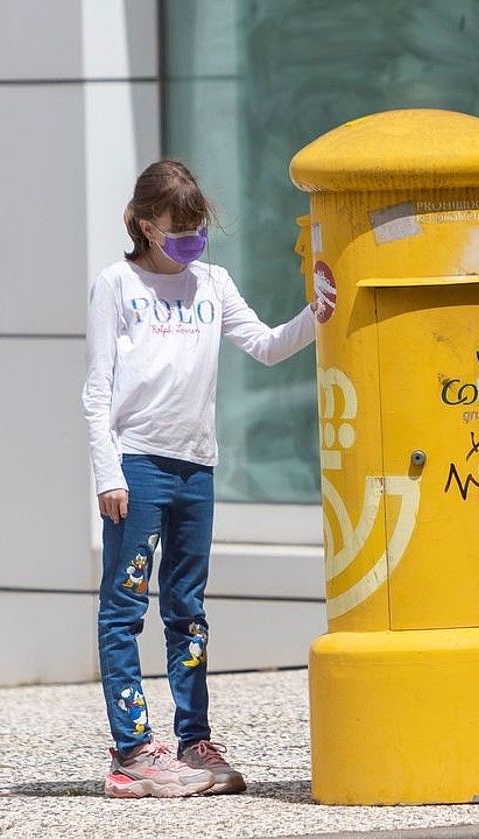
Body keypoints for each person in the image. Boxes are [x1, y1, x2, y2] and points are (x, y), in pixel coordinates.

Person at [83, 160, 333, 798]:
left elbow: (269, 345)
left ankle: (194, 740)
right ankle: (133, 753)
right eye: (179, 228)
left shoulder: (212, 283)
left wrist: (319, 312)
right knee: (124, 609)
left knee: (188, 609)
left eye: (198, 228)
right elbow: (97, 389)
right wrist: (108, 473)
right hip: (136, 466)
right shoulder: (117, 283)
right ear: (144, 224)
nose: (192, 239)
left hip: (197, 466)